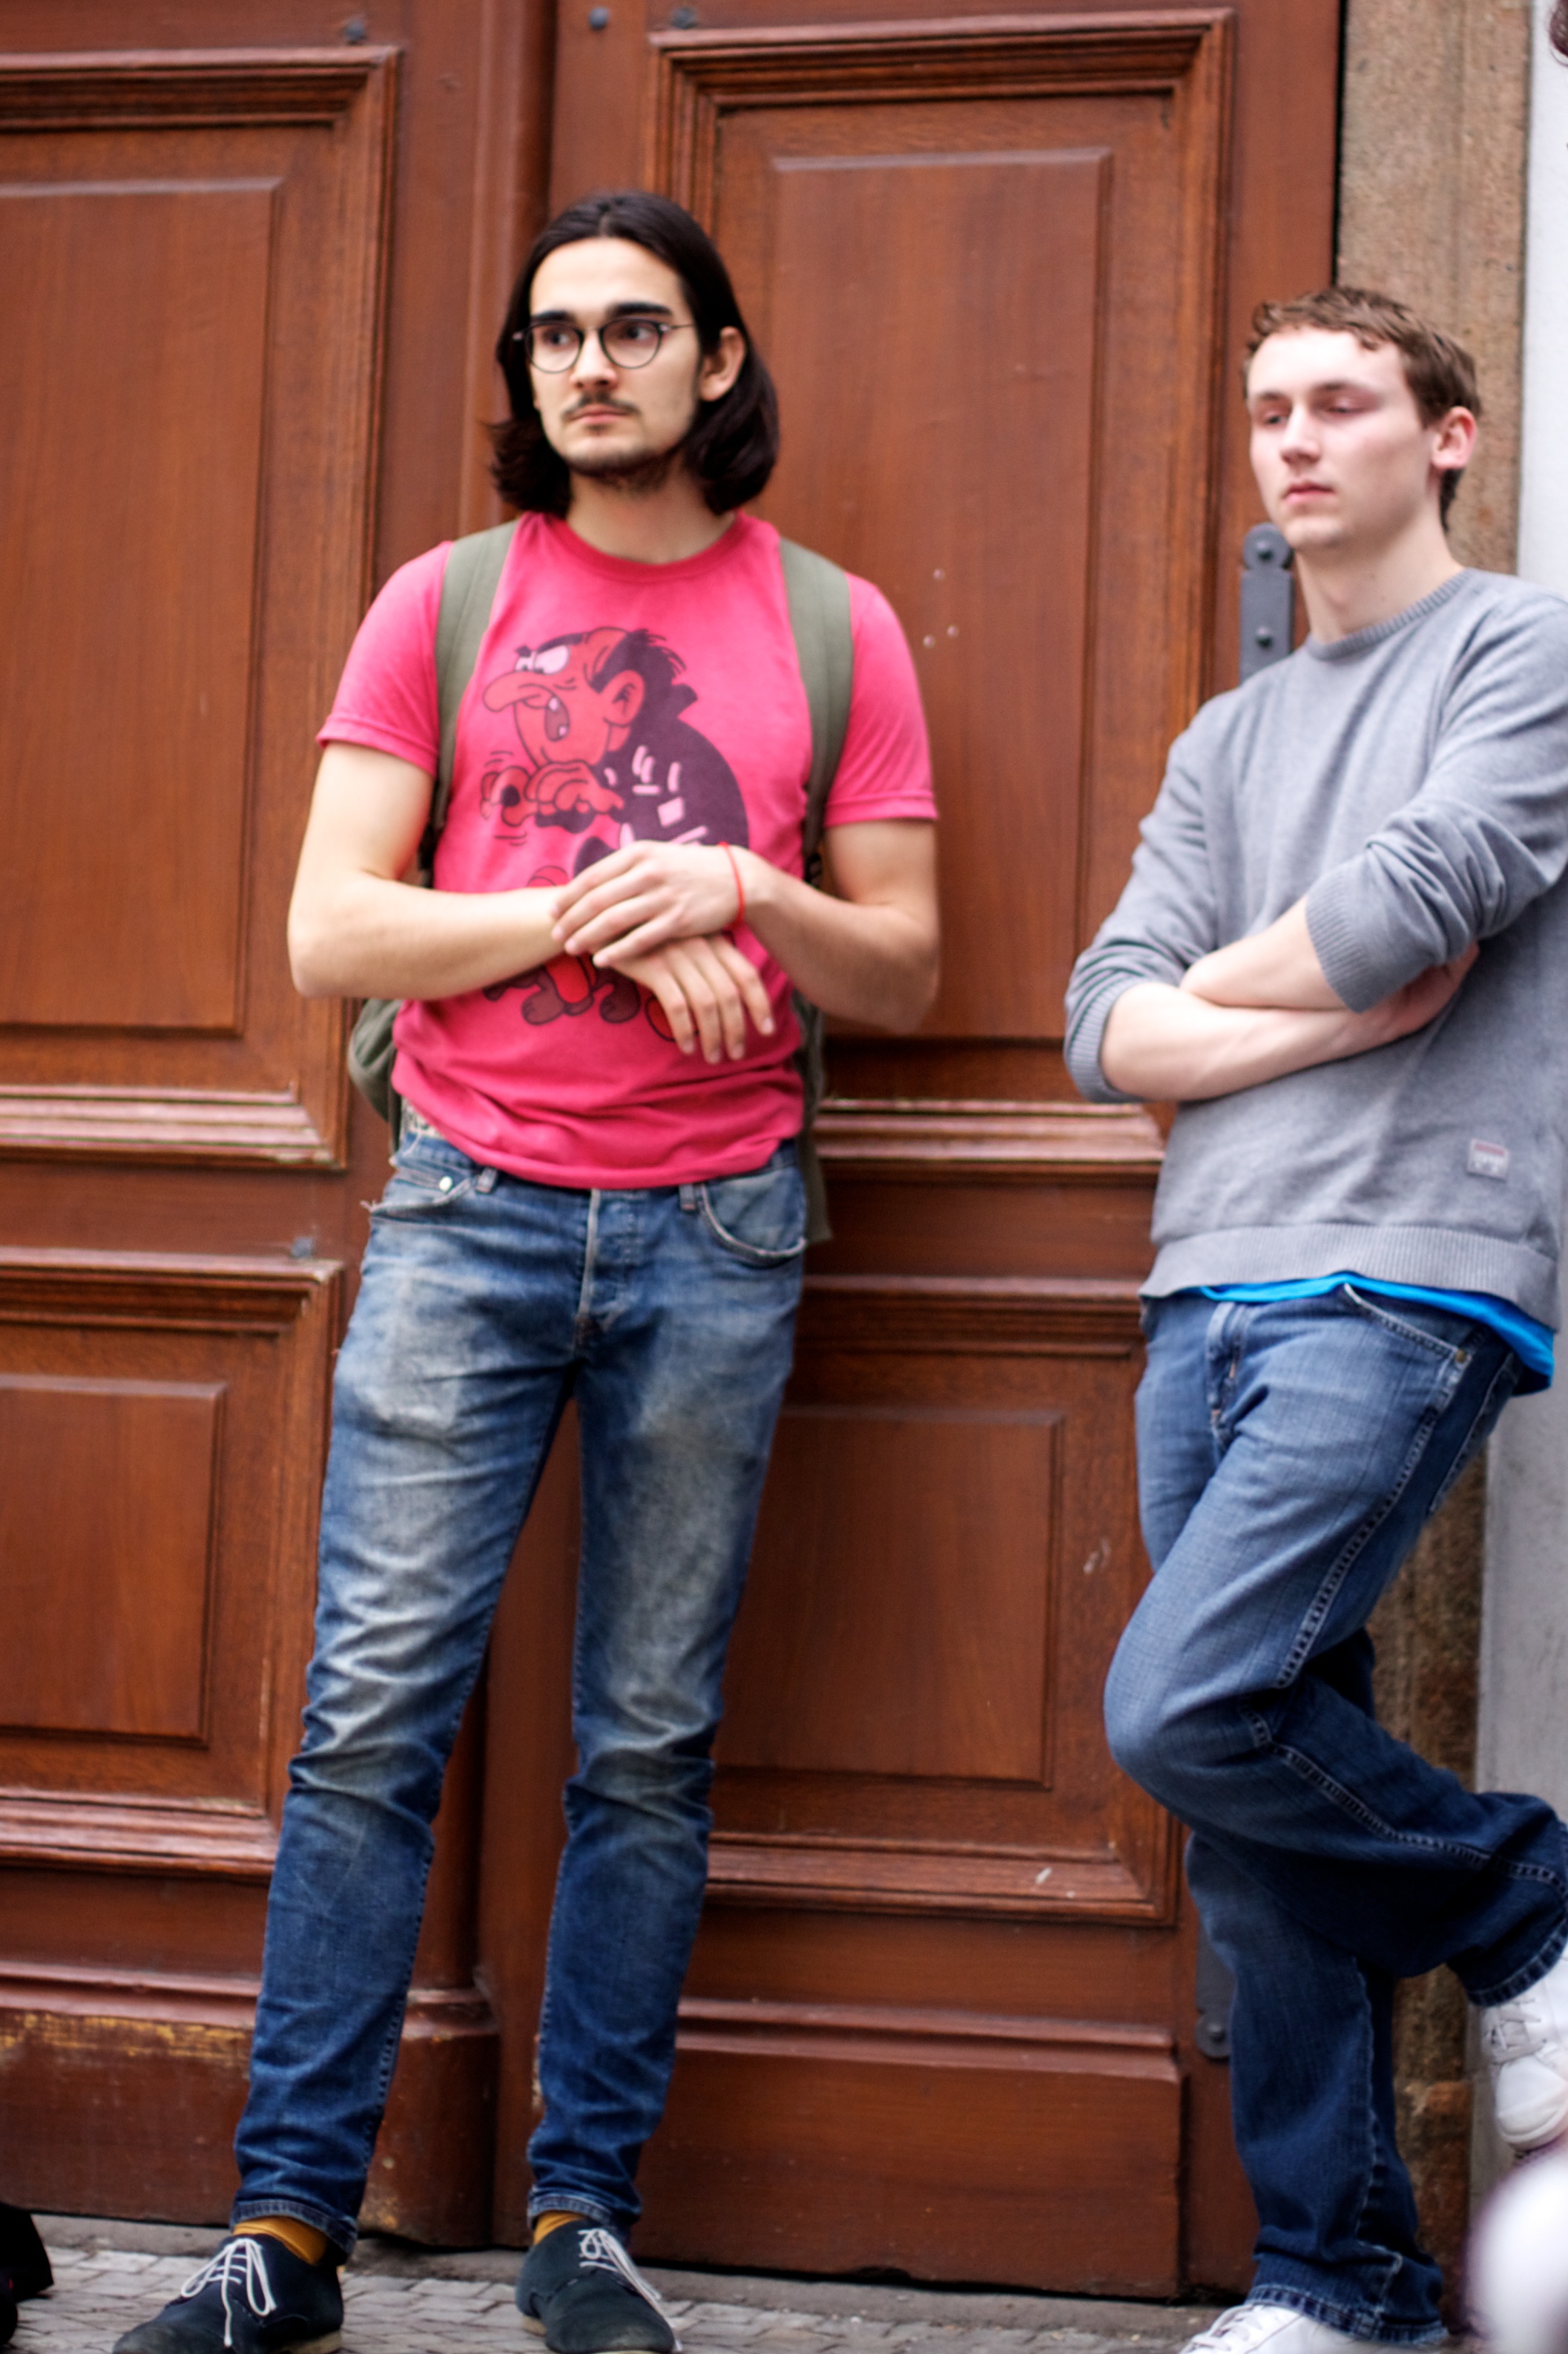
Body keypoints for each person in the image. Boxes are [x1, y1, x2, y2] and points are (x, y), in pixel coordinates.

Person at [115, 189, 938, 2354]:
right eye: (556, 335)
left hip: (720, 1231)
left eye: (635, 329)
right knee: (367, 1727)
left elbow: (904, 966)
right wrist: (603, 912)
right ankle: (286, 2233)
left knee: (646, 1747)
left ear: (717, 362)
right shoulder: (448, 603)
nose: (589, 364)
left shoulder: (834, 628)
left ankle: (585, 2221)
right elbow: (333, 930)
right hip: (468, 1212)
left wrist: (740, 887)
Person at [1065, 286, 1568, 2354]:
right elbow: (1102, 1021)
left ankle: (1519, 1895)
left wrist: (1222, 1002)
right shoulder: (1226, 736)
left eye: (1342, 402)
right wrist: (1320, 1015)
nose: (1294, 439)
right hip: (1202, 1286)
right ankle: (1337, 2280)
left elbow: (1420, 895)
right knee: (1250, 1804)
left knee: (1183, 1706)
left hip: (1404, 1269)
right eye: (1268, 406)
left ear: (1445, 435)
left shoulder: (1519, 649)